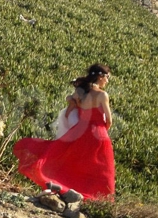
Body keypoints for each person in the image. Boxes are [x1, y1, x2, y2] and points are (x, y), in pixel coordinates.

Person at [15, 64, 115, 200]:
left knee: (72, 161)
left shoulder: (81, 93)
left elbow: (70, 106)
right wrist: (102, 130)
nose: (108, 81)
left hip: (79, 130)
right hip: (98, 133)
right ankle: (99, 199)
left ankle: (68, 190)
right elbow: (109, 120)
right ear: (100, 76)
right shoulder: (103, 95)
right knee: (100, 169)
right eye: (107, 77)